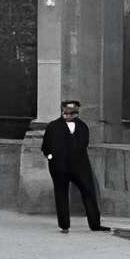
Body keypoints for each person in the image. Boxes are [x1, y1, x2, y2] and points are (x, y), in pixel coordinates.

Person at [39, 99, 107, 233]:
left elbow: (84, 144)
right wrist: (51, 158)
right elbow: (45, 146)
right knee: (61, 194)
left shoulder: (82, 126)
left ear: (77, 113)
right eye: (66, 112)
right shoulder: (53, 126)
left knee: (89, 191)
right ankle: (64, 225)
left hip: (80, 166)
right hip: (59, 166)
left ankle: (95, 224)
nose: (69, 115)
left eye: (72, 113)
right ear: (62, 111)